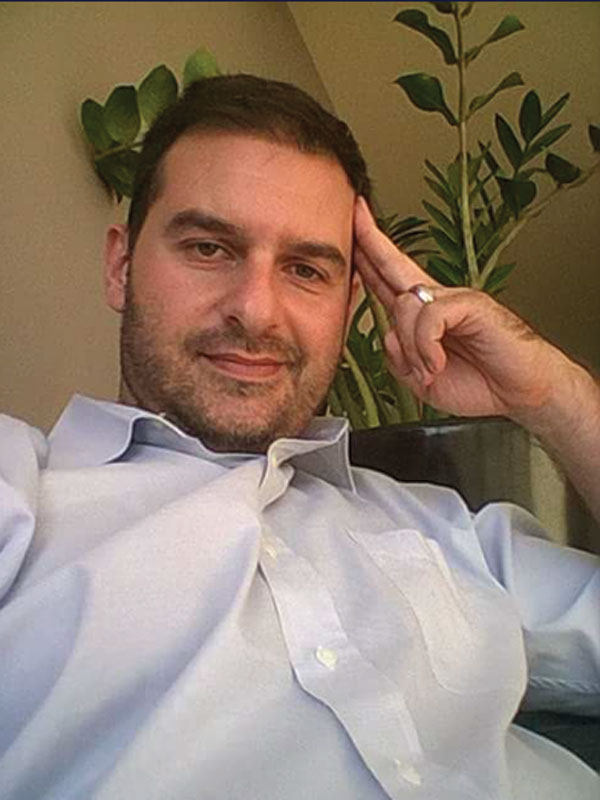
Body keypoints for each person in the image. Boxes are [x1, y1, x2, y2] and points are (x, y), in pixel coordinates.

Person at [1, 74, 598, 800]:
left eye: (306, 270)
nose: (256, 311)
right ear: (121, 267)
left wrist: (554, 395)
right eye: (209, 248)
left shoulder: (447, 530)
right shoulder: (22, 494)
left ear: (349, 305)